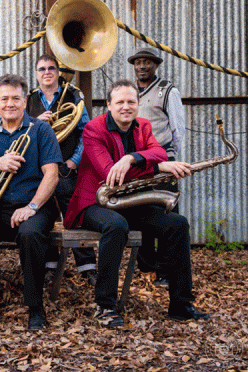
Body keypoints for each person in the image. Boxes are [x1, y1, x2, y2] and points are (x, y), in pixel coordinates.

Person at [63, 79, 209, 328]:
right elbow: (111, 175)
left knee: (177, 224)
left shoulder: (144, 125)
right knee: (116, 226)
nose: (126, 107)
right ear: (108, 105)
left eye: (131, 102)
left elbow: (160, 152)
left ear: (138, 104)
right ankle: (105, 307)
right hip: (94, 203)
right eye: (119, 102)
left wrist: (131, 158)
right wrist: (157, 167)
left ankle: (181, 305)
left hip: (128, 202)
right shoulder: (93, 129)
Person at [0, 74, 62, 331]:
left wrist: (32, 207)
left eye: (16, 98)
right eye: (4, 99)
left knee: (29, 235)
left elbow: (52, 175)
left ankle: (35, 307)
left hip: (34, 205)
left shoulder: (40, 130)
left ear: (24, 102)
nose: (10, 104)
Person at [26, 54, 97, 285]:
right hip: (38, 170)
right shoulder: (27, 101)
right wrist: (37, 122)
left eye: (51, 68)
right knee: (44, 215)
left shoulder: (73, 96)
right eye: (41, 69)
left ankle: (87, 267)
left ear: (57, 72)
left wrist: (74, 161)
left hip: (66, 167)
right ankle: (50, 265)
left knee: (74, 215)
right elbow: (19, 134)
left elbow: (86, 132)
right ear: (36, 74)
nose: (46, 72)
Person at [129, 47, 185, 285]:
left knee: (167, 213)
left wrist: (171, 158)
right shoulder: (129, 91)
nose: (142, 66)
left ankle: (165, 270)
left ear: (155, 65)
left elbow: (178, 127)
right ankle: (147, 264)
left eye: (147, 63)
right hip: (138, 162)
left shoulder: (167, 90)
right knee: (142, 211)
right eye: (138, 63)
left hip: (163, 160)